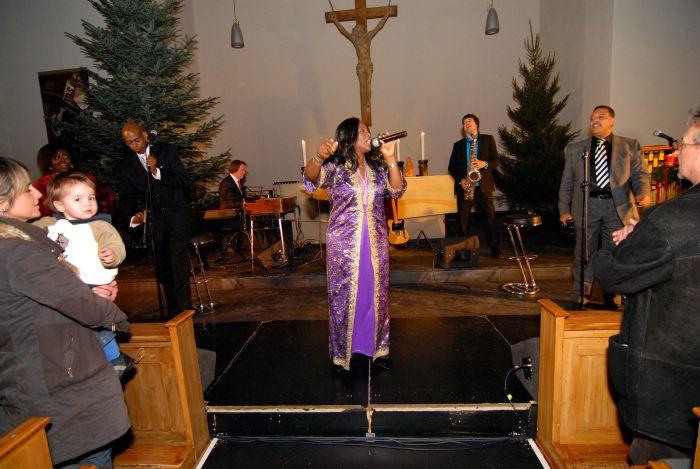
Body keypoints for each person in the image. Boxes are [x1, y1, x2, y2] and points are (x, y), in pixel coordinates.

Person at [0, 157, 130, 467]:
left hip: (36, 371)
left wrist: (87, 291)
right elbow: (78, 304)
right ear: (3, 202)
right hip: (57, 380)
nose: (36, 193)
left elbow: (42, 297)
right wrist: (116, 318)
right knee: (88, 457)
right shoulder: (17, 251)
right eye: (26, 188)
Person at [595, 112, 700, 465]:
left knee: (654, 457)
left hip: (674, 385)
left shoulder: (670, 219)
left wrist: (624, 242)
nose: (676, 152)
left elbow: (615, 276)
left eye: (683, 144)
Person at [304, 117, 405, 370]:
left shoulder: (378, 168)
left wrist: (390, 157)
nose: (368, 134)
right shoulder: (337, 167)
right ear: (348, 137)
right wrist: (319, 157)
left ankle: (378, 348)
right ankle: (342, 354)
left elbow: (397, 190)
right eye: (362, 131)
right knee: (344, 298)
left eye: (368, 130)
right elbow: (311, 177)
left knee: (376, 295)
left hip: (375, 243)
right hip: (344, 246)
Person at [35, 171, 132, 380]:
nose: (87, 203)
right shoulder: (50, 225)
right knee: (89, 325)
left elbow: (116, 245)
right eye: (78, 199)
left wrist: (112, 254)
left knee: (98, 323)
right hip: (70, 284)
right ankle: (113, 359)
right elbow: (26, 234)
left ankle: (114, 358)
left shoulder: (100, 225)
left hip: (94, 282)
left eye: (91, 198)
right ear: (59, 205)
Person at [558, 105, 650, 304]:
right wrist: (564, 210)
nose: (595, 120)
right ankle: (582, 293)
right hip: (586, 206)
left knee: (615, 252)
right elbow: (566, 182)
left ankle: (613, 293)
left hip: (617, 208)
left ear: (612, 121)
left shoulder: (629, 145)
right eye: (592, 118)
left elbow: (640, 174)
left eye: (601, 116)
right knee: (584, 252)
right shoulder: (576, 149)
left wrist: (643, 193)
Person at [120, 122, 192, 316]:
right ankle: (173, 310)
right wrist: (133, 215)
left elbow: (183, 181)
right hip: (155, 222)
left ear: (145, 135)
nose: (134, 145)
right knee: (163, 267)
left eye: (137, 140)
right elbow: (126, 196)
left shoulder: (166, 151)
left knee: (178, 263)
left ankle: (185, 309)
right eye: (129, 143)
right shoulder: (127, 166)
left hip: (176, 217)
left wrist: (157, 172)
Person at [447, 113, 502, 258]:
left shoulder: (487, 139)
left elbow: (496, 162)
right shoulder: (458, 145)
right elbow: (452, 167)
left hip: (482, 186)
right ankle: (463, 251)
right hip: (465, 186)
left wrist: (485, 164)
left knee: (489, 217)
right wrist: (461, 180)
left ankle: (495, 249)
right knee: (462, 220)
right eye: (464, 122)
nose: (467, 123)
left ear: (476, 124)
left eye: (469, 121)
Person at [34, 143, 111, 216]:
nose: (63, 160)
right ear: (48, 162)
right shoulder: (41, 183)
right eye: (58, 157)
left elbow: (105, 198)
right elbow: (39, 209)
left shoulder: (86, 178)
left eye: (66, 157)